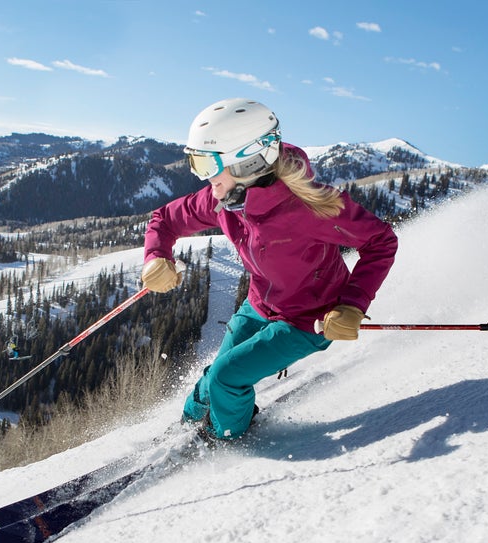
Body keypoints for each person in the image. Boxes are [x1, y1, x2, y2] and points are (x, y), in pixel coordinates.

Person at [142, 98, 398, 441]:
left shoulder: (309, 206)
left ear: (247, 161)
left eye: (207, 164)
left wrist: (352, 304)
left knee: (227, 377)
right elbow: (166, 218)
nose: (204, 178)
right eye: (196, 163)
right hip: (259, 305)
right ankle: (186, 428)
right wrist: (157, 256)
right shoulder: (223, 200)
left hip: (309, 320)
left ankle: (226, 439)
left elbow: (380, 242)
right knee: (212, 378)